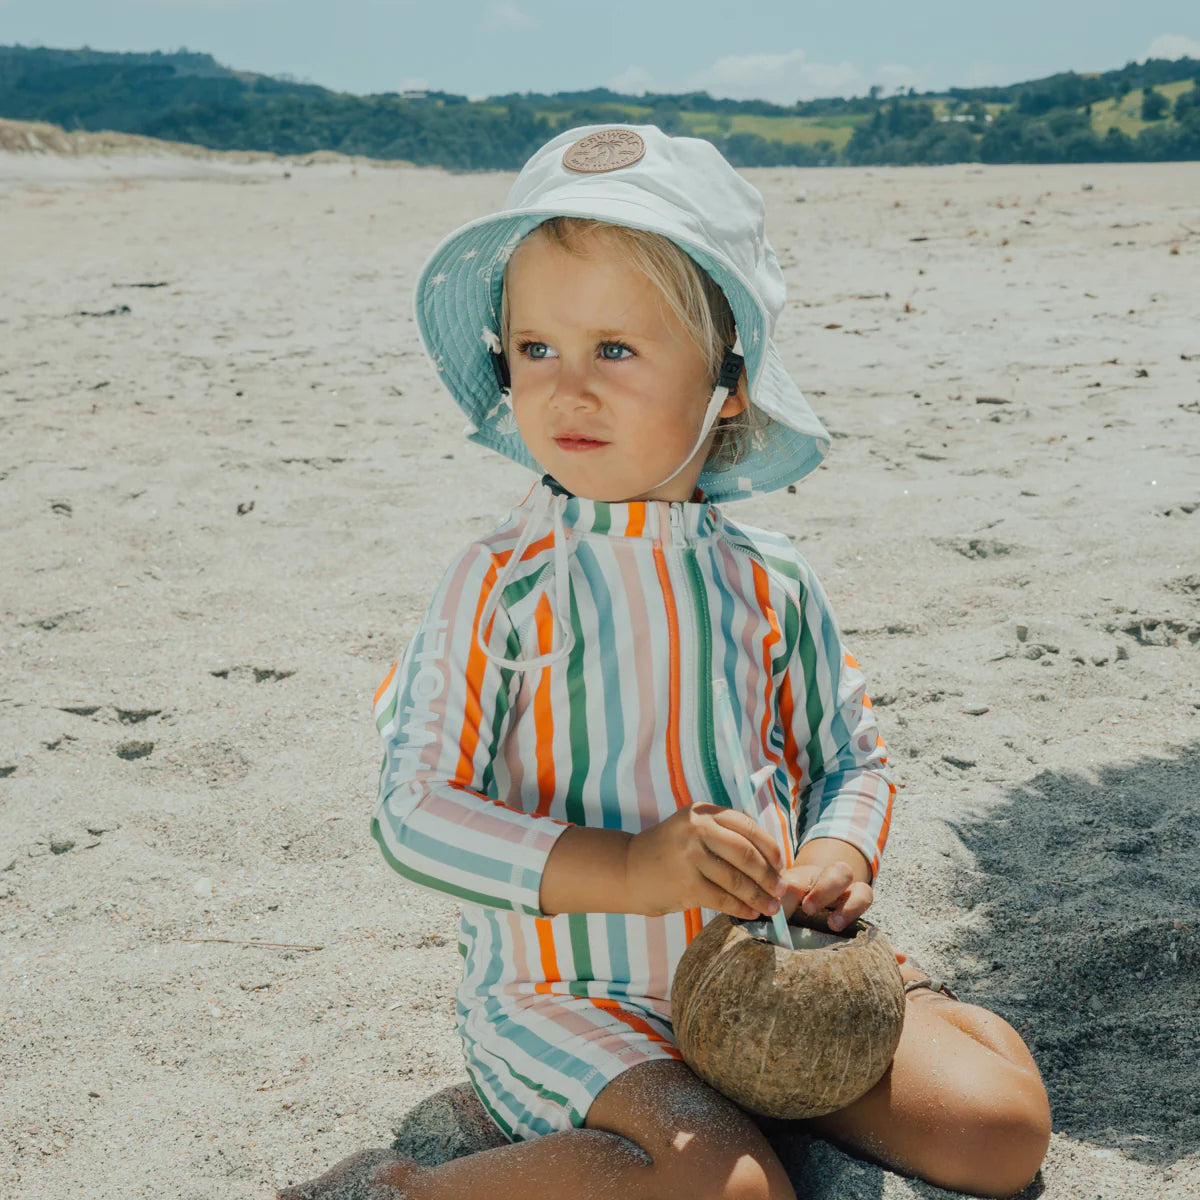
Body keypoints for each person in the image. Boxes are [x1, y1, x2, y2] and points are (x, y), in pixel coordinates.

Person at [278, 125, 1051, 1200]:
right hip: (573, 998)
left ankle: (907, 1006)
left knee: (999, 1134)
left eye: (617, 349)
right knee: (731, 1191)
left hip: (764, 974)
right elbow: (410, 814)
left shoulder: (770, 578)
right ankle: (403, 1187)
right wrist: (631, 870)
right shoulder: (500, 581)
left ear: (727, 383)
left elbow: (853, 761)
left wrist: (837, 856)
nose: (567, 388)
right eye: (535, 349)